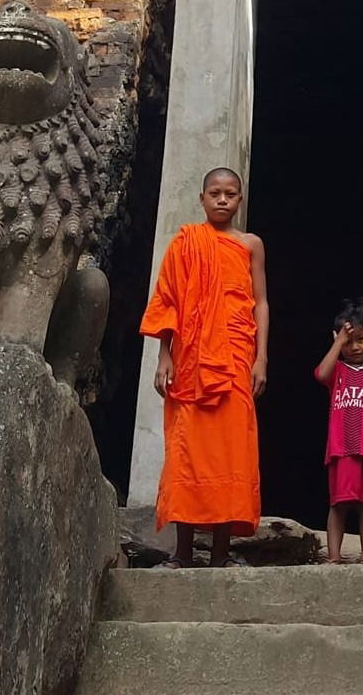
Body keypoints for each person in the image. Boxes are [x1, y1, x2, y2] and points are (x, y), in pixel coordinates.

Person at [139, 165, 268, 568]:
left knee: (232, 454)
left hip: (234, 359)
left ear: (240, 199)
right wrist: (164, 356)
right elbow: (169, 300)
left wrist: (261, 358)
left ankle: (220, 554)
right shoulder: (186, 243)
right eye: (215, 193)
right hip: (191, 362)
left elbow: (260, 302)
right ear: (202, 198)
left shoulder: (250, 245)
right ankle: (181, 552)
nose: (223, 199)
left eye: (230, 193)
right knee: (186, 453)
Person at [315, 297, 363, 564]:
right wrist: (337, 342)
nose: (354, 347)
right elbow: (321, 374)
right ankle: (334, 556)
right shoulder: (338, 371)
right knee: (338, 505)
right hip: (341, 451)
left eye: (361, 340)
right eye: (349, 342)